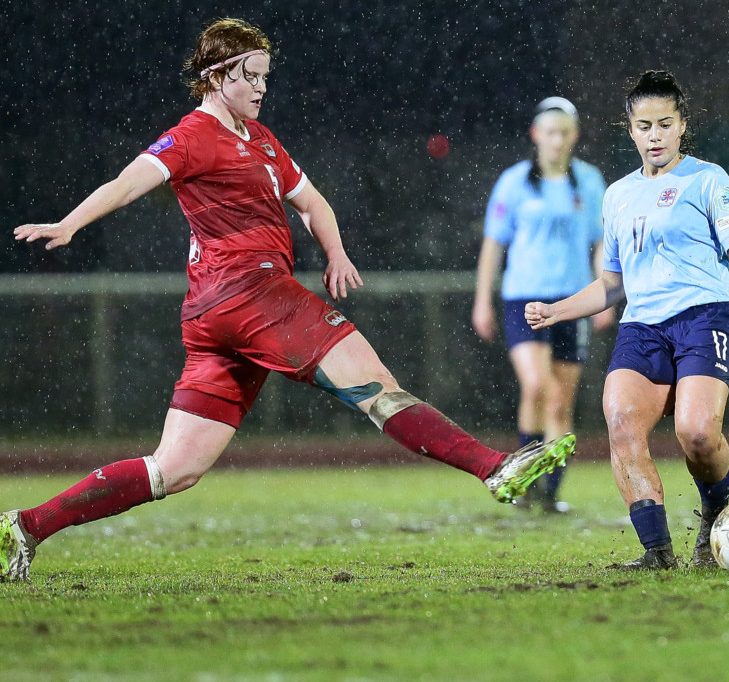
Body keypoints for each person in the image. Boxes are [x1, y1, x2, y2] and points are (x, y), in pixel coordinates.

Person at [0, 18, 575, 583]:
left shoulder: (262, 139)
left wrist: (337, 253)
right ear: (218, 76)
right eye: (251, 76)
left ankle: (26, 526)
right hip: (252, 294)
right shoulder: (193, 135)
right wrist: (70, 223)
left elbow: (313, 202)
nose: (261, 88)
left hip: (215, 316)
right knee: (378, 391)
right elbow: (128, 181)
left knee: (173, 469)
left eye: (266, 76)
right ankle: (495, 467)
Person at [525, 71, 729, 569]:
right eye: (644, 125)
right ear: (631, 130)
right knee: (620, 422)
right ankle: (657, 551)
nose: (655, 135)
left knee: (698, 435)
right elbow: (613, 284)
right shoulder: (616, 195)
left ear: (681, 127)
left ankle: (714, 515)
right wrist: (558, 310)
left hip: (705, 317)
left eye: (664, 124)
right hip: (643, 327)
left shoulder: (707, 179)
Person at [472, 97, 610, 513]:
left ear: (574, 136)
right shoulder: (515, 183)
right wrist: (483, 300)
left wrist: (605, 294)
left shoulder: (588, 181)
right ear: (537, 136)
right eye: (550, 132)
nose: (557, 140)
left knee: (560, 402)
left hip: (572, 300)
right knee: (536, 386)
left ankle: (551, 493)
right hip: (524, 298)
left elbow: (602, 242)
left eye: (565, 132)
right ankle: (525, 478)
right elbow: (494, 244)